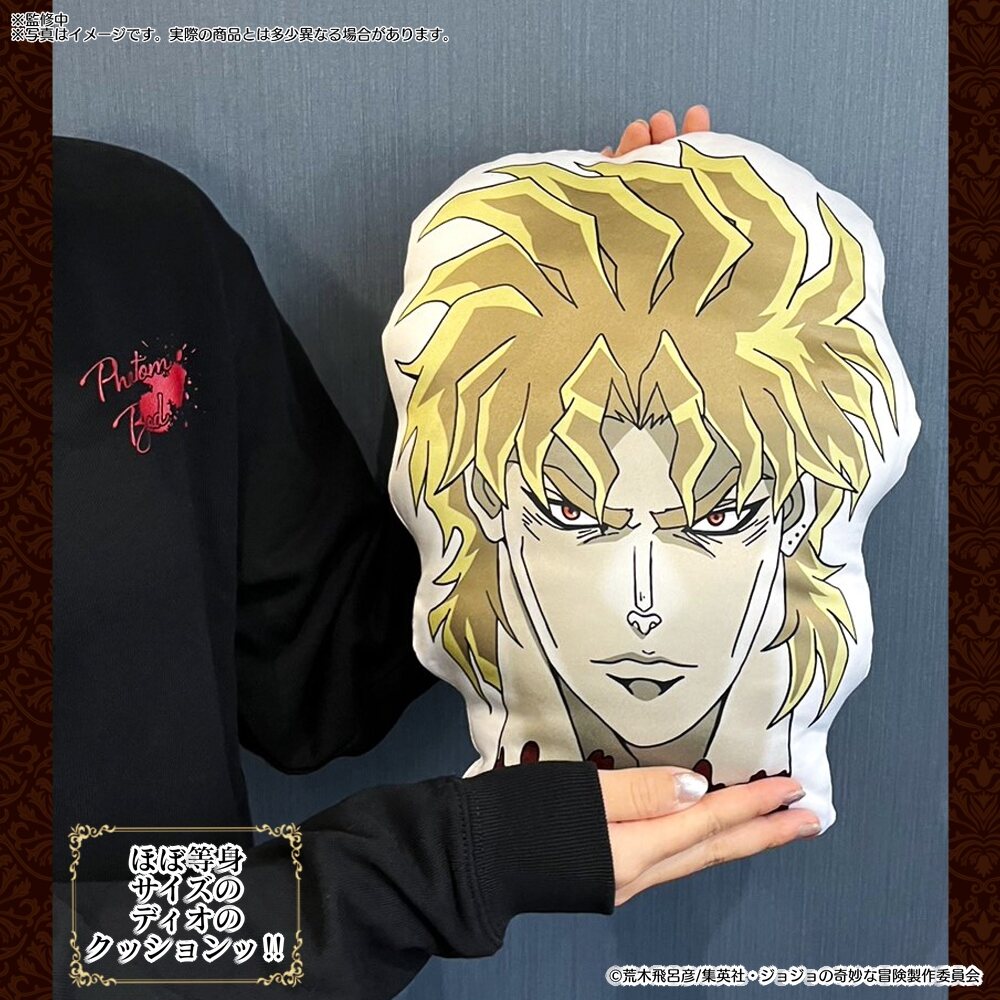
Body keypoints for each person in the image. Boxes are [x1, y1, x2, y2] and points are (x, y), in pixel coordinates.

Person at [51, 106, 818, 1000]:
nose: (645, 595)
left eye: (716, 515)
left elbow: (323, 678)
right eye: (571, 507)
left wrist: (478, 367)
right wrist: (439, 868)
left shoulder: (130, 231)